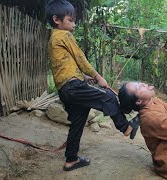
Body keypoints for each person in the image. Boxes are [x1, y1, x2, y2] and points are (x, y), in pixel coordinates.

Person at [45, 0, 140, 171]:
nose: (74, 24)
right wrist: (98, 77)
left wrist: (84, 77)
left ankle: (71, 160)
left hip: (66, 89)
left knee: (78, 122)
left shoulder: (53, 37)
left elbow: (65, 65)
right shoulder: (64, 35)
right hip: (72, 87)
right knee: (108, 96)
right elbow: (80, 58)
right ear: (56, 20)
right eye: (70, 20)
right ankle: (125, 127)